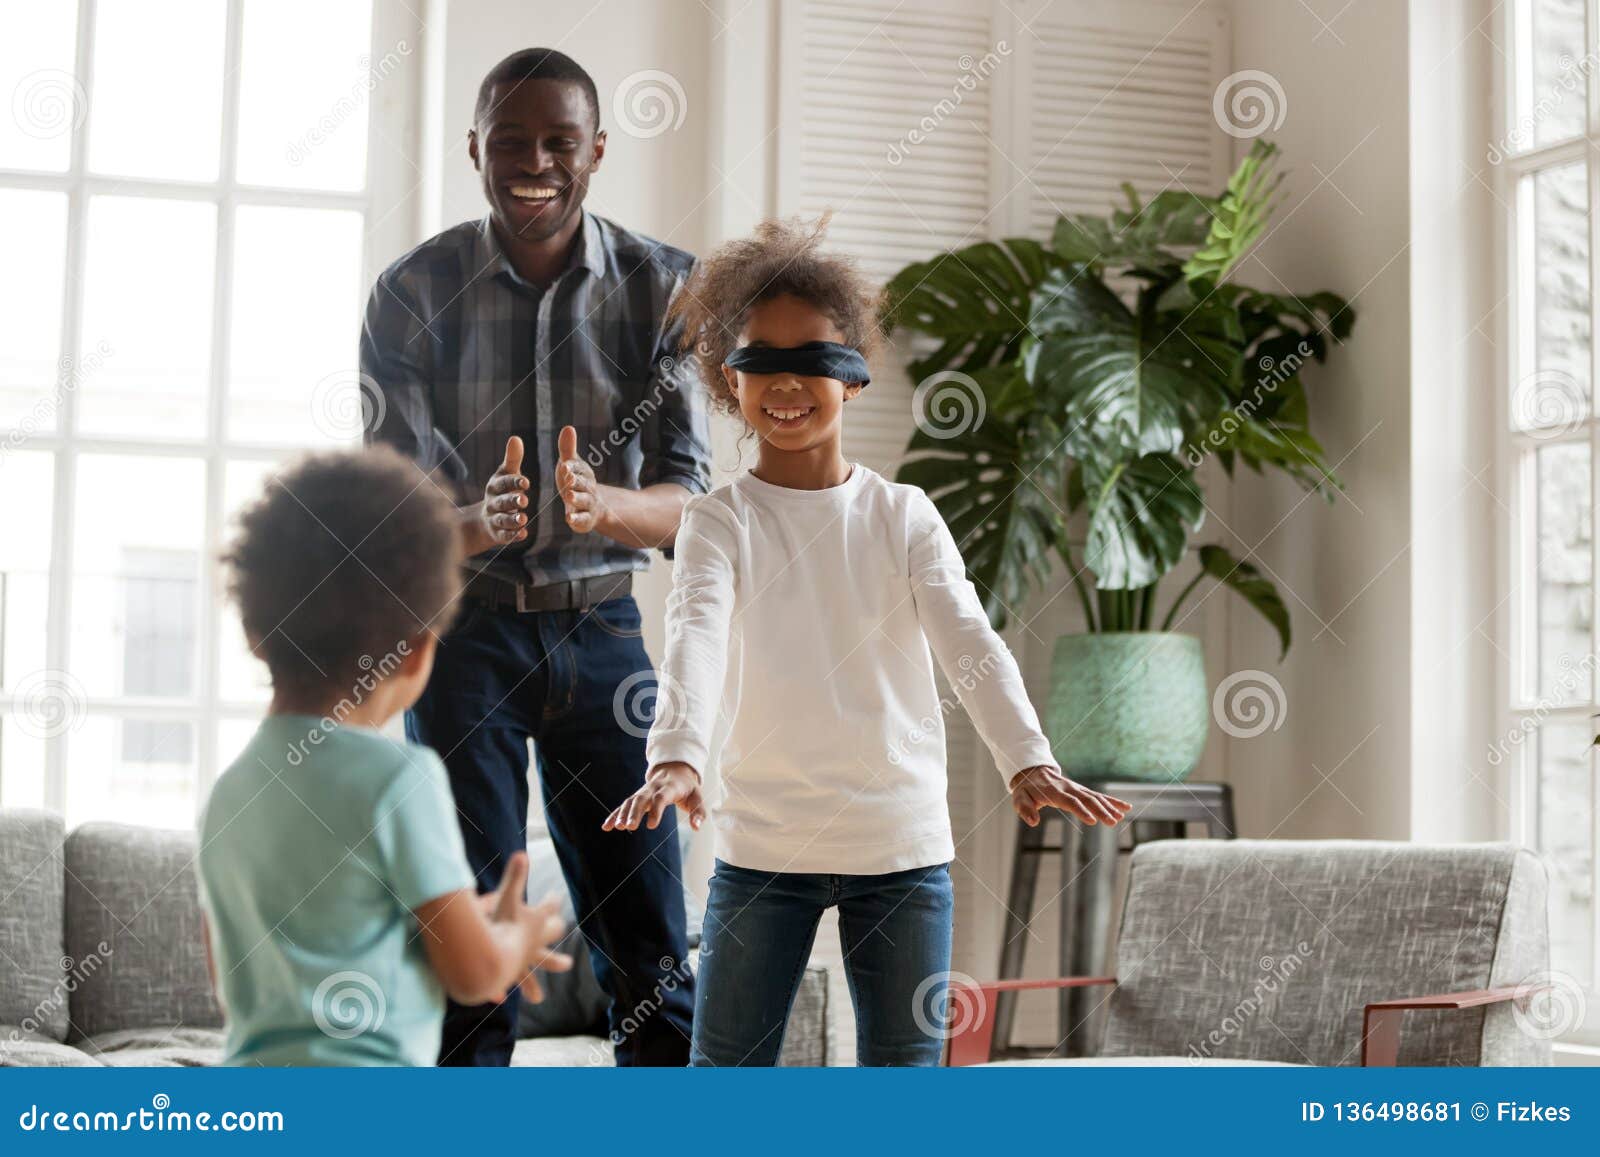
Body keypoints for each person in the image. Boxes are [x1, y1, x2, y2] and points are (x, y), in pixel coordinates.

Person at [603, 218, 1132, 1066]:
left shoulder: (904, 514)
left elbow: (969, 637)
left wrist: (1026, 757)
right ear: (727, 379)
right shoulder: (717, 521)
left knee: (902, 1087)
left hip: (901, 843)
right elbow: (694, 629)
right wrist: (678, 754)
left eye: (811, 359)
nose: (785, 382)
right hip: (763, 843)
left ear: (851, 379)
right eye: (759, 361)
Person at [360, 48, 708, 1066]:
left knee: (648, 943)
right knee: (469, 940)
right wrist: (476, 518)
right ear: (474, 148)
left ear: (597, 150)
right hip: (461, 642)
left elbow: (690, 501)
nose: (534, 163)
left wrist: (606, 504)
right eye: (509, 142)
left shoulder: (668, 288)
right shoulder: (410, 293)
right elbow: (396, 515)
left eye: (560, 142)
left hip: (605, 639)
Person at [198, 448, 573, 1066]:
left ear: (255, 634)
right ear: (418, 652)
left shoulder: (228, 791)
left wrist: (461, 918)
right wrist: (513, 938)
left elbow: (236, 981)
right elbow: (475, 976)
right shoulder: (398, 779)